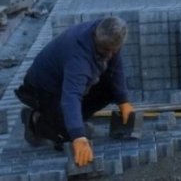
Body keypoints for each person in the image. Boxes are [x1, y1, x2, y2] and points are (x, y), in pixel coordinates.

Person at [15, 16, 135, 167]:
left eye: (114, 50)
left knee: (111, 89)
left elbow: (115, 68)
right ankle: (35, 121)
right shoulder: (78, 58)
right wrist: (78, 136)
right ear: (95, 37)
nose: (110, 55)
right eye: (105, 50)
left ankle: (70, 119)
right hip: (45, 89)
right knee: (68, 135)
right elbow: (71, 96)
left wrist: (123, 100)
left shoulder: (108, 31)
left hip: (66, 84)